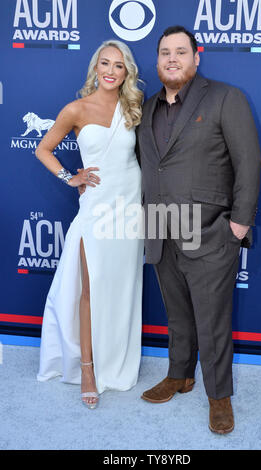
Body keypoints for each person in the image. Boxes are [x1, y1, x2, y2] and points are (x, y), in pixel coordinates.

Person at [136, 26, 261, 433]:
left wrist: (238, 225)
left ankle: (219, 396)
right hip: (160, 226)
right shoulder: (148, 107)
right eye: (164, 52)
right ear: (156, 61)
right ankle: (180, 374)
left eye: (180, 52)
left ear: (196, 57)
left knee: (213, 320)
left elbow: (249, 162)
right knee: (177, 315)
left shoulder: (226, 97)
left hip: (210, 231)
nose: (172, 58)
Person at [36, 40, 144, 409]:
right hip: (96, 206)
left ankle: (115, 361)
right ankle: (87, 369)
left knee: (121, 285)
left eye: (118, 65)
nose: (111, 71)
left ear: (126, 71)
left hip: (130, 205)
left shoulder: (134, 107)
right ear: (95, 68)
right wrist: (70, 177)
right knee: (90, 288)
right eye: (105, 63)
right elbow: (43, 149)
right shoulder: (76, 109)